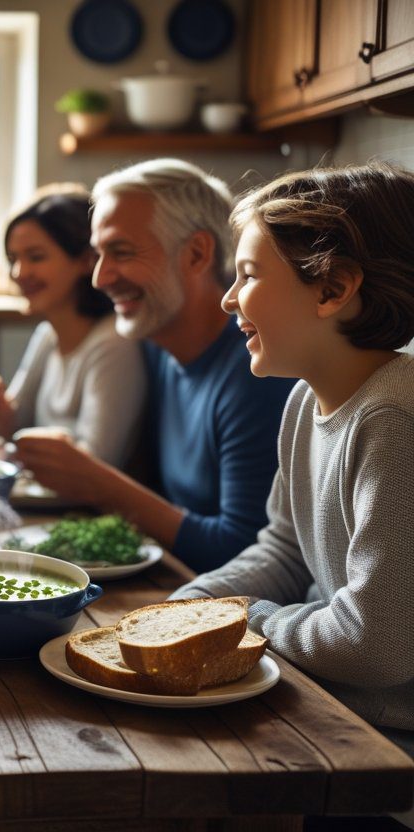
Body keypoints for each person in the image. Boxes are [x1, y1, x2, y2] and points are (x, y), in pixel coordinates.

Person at [169, 164, 414, 769]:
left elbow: (376, 646)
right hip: (330, 709)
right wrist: (190, 604)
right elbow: (283, 550)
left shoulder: (393, 422)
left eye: (249, 275)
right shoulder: (306, 400)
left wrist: (248, 618)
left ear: (332, 290)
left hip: (385, 756)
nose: (229, 299)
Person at [12, 159, 294, 572]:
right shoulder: (156, 347)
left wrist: (100, 483)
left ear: (197, 253)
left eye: (121, 252)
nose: (100, 277)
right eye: (98, 254)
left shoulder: (257, 372)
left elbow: (243, 552)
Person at [0, 184, 146, 468]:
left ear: (86, 261)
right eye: (13, 259)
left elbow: (98, 465)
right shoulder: (48, 335)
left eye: (36, 257)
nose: (19, 273)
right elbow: (14, 427)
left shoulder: (113, 343)